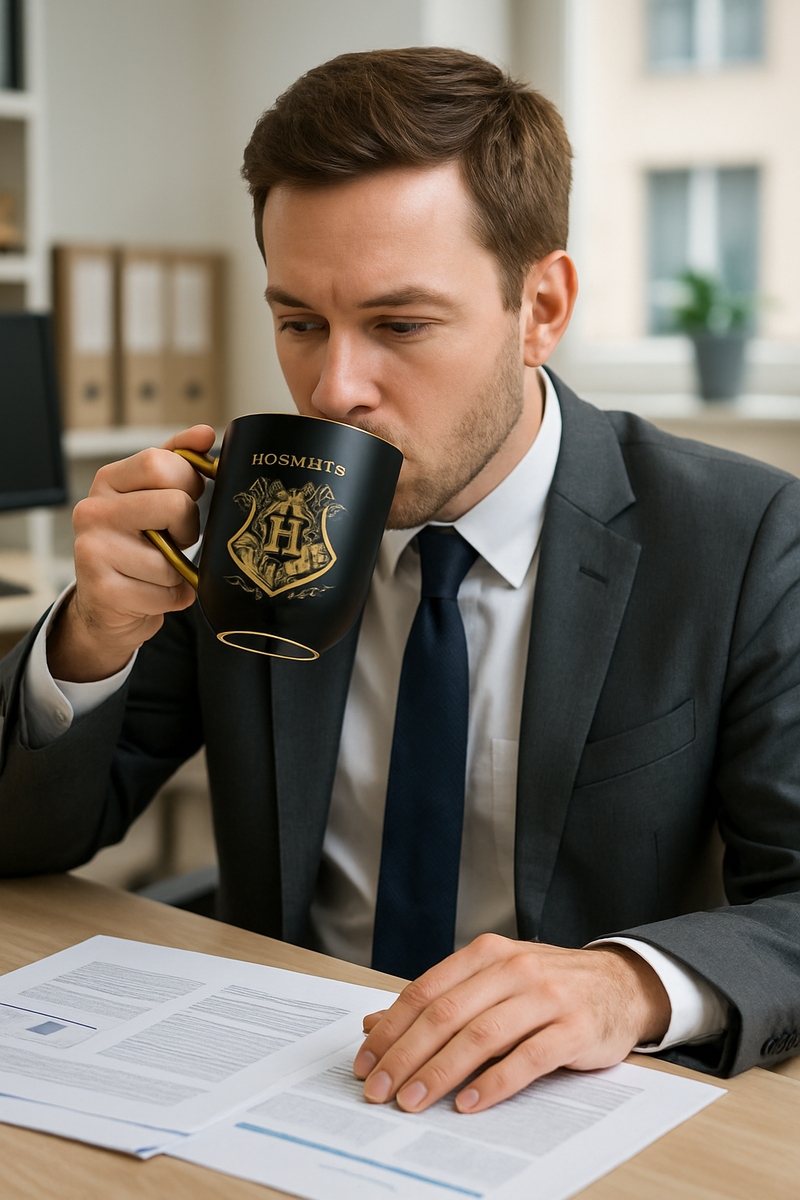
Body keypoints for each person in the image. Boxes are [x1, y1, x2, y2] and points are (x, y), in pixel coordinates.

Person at [2, 47, 800, 1118]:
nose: (334, 390)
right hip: (271, 1079)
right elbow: (26, 843)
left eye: (400, 325)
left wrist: (626, 985)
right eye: (299, 323)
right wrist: (90, 637)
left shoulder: (743, 539)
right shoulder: (253, 512)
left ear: (541, 306)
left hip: (556, 1111)